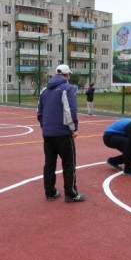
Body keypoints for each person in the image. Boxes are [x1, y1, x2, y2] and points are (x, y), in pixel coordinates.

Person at [37, 64, 85, 202]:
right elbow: (70, 111)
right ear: (67, 75)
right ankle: (71, 194)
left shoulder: (44, 90)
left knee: (49, 164)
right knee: (69, 163)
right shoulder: (67, 88)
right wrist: (72, 129)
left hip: (48, 134)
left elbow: (39, 113)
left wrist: (45, 127)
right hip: (63, 133)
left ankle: (50, 192)